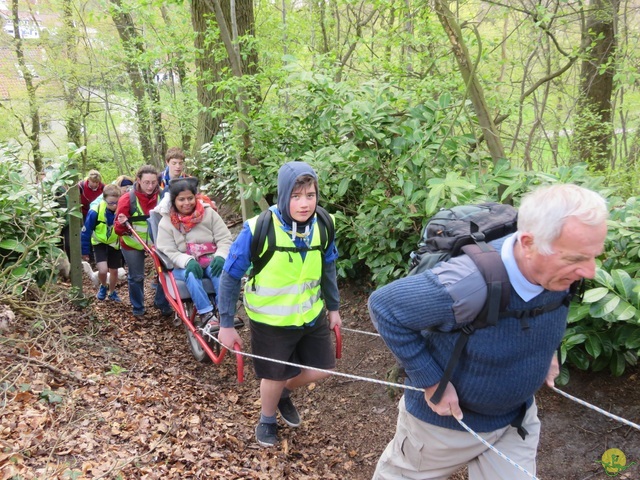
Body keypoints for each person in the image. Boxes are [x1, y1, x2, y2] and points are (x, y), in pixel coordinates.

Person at [368, 184, 608, 480]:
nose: (590, 271)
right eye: (576, 259)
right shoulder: (466, 283)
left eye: (594, 255)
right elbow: (385, 308)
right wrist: (431, 382)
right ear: (529, 243)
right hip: (442, 429)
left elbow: (551, 310)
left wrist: (549, 352)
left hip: (515, 421)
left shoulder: (561, 272)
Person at [217, 161, 342, 448]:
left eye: (310, 195)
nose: (304, 203)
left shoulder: (324, 224)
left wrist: (333, 309)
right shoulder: (257, 228)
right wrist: (226, 323)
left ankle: (281, 391)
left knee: (323, 369)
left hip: (311, 315)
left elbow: (329, 267)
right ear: (283, 195)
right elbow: (230, 276)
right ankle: (267, 418)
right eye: (296, 196)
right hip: (270, 320)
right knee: (273, 374)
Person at [155, 177, 233, 327]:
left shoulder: (209, 214)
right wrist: (187, 261)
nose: (186, 203)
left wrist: (221, 256)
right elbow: (168, 250)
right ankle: (206, 313)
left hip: (209, 258)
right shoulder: (166, 222)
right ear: (174, 201)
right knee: (190, 275)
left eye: (190, 198)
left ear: (195, 197)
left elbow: (224, 238)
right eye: (181, 199)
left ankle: (225, 312)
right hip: (182, 265)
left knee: (221, 272)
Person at [114, 165, 172, 318]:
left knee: (166, 272)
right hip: (132, 242)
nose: (150, 186)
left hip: (157, 243)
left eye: (153, 182)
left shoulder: (163, 197)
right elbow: (117, 229)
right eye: (146, 182)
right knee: (136, 276)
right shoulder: (127, 199)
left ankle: (161, 302)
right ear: (138, 180)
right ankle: (138, 307)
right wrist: (122, 223)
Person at [81, 184, 123, 302]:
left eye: (116, 202)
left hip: (114, 243)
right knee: (103, 270)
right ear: (104, 199)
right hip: (99, 242)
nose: (114, 206)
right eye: (111, 203)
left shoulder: (122, 210)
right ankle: (103, 286)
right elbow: (85, 231)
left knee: (114, 270)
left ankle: (112, 292)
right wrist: (85, 251)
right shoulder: (95, 211)